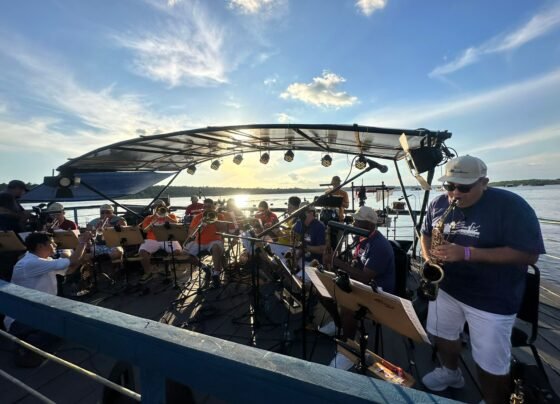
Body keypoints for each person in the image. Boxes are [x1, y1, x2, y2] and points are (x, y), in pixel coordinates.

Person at [420, 156, 545, 404]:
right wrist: (429, 258)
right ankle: (451, 372)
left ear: (484, 182)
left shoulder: (511, 206)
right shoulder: (438, 203)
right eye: (449, 186)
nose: (455, 193)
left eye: (464, 187)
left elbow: (529, 254)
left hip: (492, 297)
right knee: (443, 335)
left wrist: (467, 253)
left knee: (491, 362)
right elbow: (426, 234)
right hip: (447, 288)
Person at [322, 206, 395, 369]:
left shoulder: (379, 246)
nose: (353, 224)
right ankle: (340, 324)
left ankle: (348, 350)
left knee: (348, 306)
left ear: (369, 225)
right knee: (324, 290)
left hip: (378, 292)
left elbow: (364, 277)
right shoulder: (361, 238)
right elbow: (356, 265)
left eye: (357, 221)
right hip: (361, 284)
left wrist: (336, 261)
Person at [4, 231, 91, 366]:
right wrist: (82, 242)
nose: (55, 245)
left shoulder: (44, 260)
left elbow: (69, 270)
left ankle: (35, 342)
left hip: (39, 310)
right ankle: (25, 346)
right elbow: (72, 260)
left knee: (68, 324)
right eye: (51, 243)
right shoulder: (30, 263)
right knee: (60, 328)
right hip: (21, 318)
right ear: (40, 246)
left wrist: (81, 256)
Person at [183, 198, 227, 288]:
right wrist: (200, 225)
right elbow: (191, 233)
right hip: (199, 241)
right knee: (187, 256)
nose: (206, 208)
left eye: (209, 207)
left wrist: (215, 220)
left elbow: (224, 230)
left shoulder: (219, 216)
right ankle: (206, 268)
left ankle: (216, 274)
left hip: (214, 240)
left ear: (213, 207)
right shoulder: (197, 217)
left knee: (216, 247)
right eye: (205, 207)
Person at [138, 199, 182, 283]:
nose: (159, 208)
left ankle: (167, 265)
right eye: (157, 207)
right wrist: (154, 220)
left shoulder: (171, 215)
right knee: (142, 251)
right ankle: (148, 272)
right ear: (154, 208)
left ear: (165, 207)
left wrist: (167, 217)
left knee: (178, 251)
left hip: (168, 238)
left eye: (161, 206)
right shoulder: (149, 218)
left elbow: (177, 225)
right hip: (152, 239)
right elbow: (145, 230)